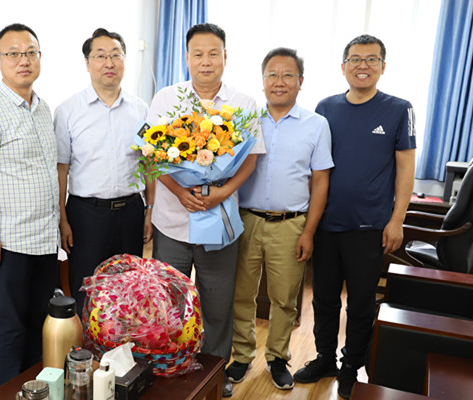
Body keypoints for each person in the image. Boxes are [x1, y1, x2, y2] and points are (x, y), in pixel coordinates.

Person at [293, 34, 416, 399]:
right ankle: (325, 359)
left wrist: (397, 220)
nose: (363, 65)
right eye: (356, 59)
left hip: (370, 227)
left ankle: (350, 367)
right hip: (326, 223)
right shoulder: (326, 107)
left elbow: (406, 169)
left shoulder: (399, 109)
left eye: (372, 59)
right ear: (343, 66)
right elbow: (315, 167)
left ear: (383, 66)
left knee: (361, 303)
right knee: (324, 299)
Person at [146, 23, 265, 398]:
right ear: (186, 58)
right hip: (172, 222)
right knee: (169, 303)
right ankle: (167, 369)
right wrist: (180, 192)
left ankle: (215, 373)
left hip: (219, 221)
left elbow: (251, 158)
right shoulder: (166, 99)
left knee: (216, 304)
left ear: (225, 57)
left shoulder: (243, 104)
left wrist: (223, 192)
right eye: (198, 54)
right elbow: (152, 155)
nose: (206, 61)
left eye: (213, 53)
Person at [226, 48, 333, 391]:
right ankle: (242, 355)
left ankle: (276, 357)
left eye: (288, 75)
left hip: (291, 224)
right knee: (241, 293)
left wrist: (309, 232)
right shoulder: (245, 121)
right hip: (245, 220)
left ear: (301, 81)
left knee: (284, 298)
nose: (279, 81)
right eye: (272, 74)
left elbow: (321, 181)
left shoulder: (316, 125)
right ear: (262, 81)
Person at [0, 23, 60, 387]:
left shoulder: (42, 108)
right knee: (11, 327)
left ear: (39, 57)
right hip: (10, 242)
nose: (24, 60)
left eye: (30, 52)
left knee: (39, 322)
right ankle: (5, 395)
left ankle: (36, 391)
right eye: (14, 54)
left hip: (44, 239)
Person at [54, 28, 154, 316]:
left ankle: (125, 344)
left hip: (131, 211)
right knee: (87, 291)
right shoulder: (68, 111)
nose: (109, 63)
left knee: (129, 290)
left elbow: (149, 164)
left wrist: (149, 210)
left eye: (116, 55)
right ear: (87, 63)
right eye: (100, 56)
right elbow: (61, 169)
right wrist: (62, 219)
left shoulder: (141, 110)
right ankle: (87, 345)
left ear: (124, 61)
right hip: (86, 215)